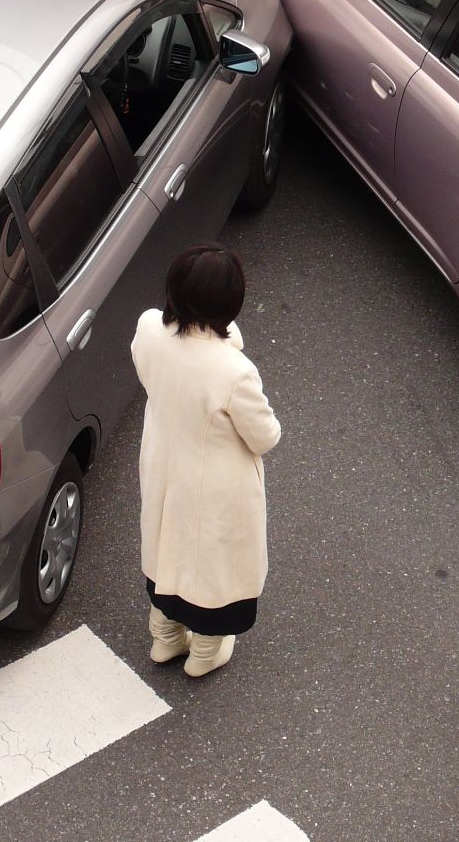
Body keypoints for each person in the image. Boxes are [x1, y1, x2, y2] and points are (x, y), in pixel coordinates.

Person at [130, 244, 280, 677]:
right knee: (213, 569)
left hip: (162, 463)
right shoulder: (234, 371)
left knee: (165, 551)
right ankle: (204, 653)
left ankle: (166, 639)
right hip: (216, 486)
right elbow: (265, 436)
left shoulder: (148, 330)